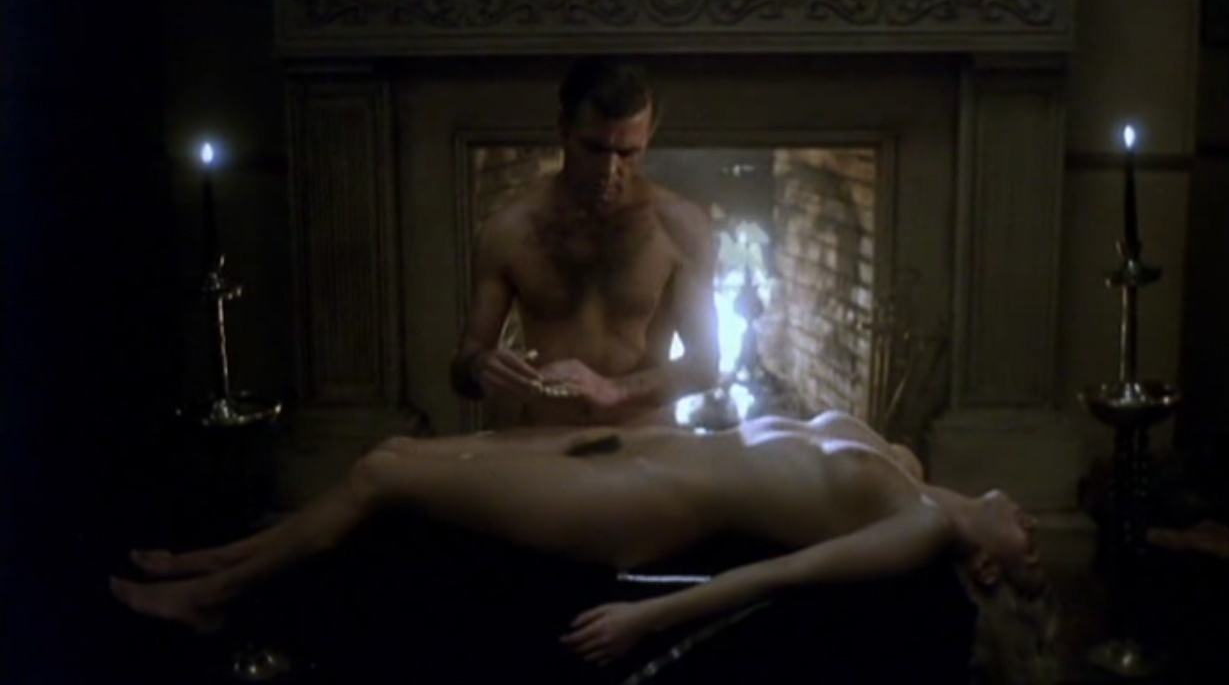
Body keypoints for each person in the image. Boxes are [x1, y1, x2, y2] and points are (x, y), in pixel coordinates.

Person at [110, 410, 1047, 668]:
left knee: (384, 481)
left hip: (638, 507)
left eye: (1028, 560)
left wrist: (650, 620)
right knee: (391, 453)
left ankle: (209, 600)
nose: (1033, 530)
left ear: (986, 566)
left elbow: (786, 574)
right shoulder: (908, 470)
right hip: (645, 447)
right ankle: (216, 560)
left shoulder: (918, 528)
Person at [449, 55, 719, 427]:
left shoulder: (680, 225)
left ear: (649, 136)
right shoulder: (509, 229)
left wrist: (614, 390)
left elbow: (705, 364)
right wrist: (480, 366)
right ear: (564, 129)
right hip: (546, 436)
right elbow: (464, 367)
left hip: (643, 438)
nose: (610, 170)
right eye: (594, 148)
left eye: (628, 153)